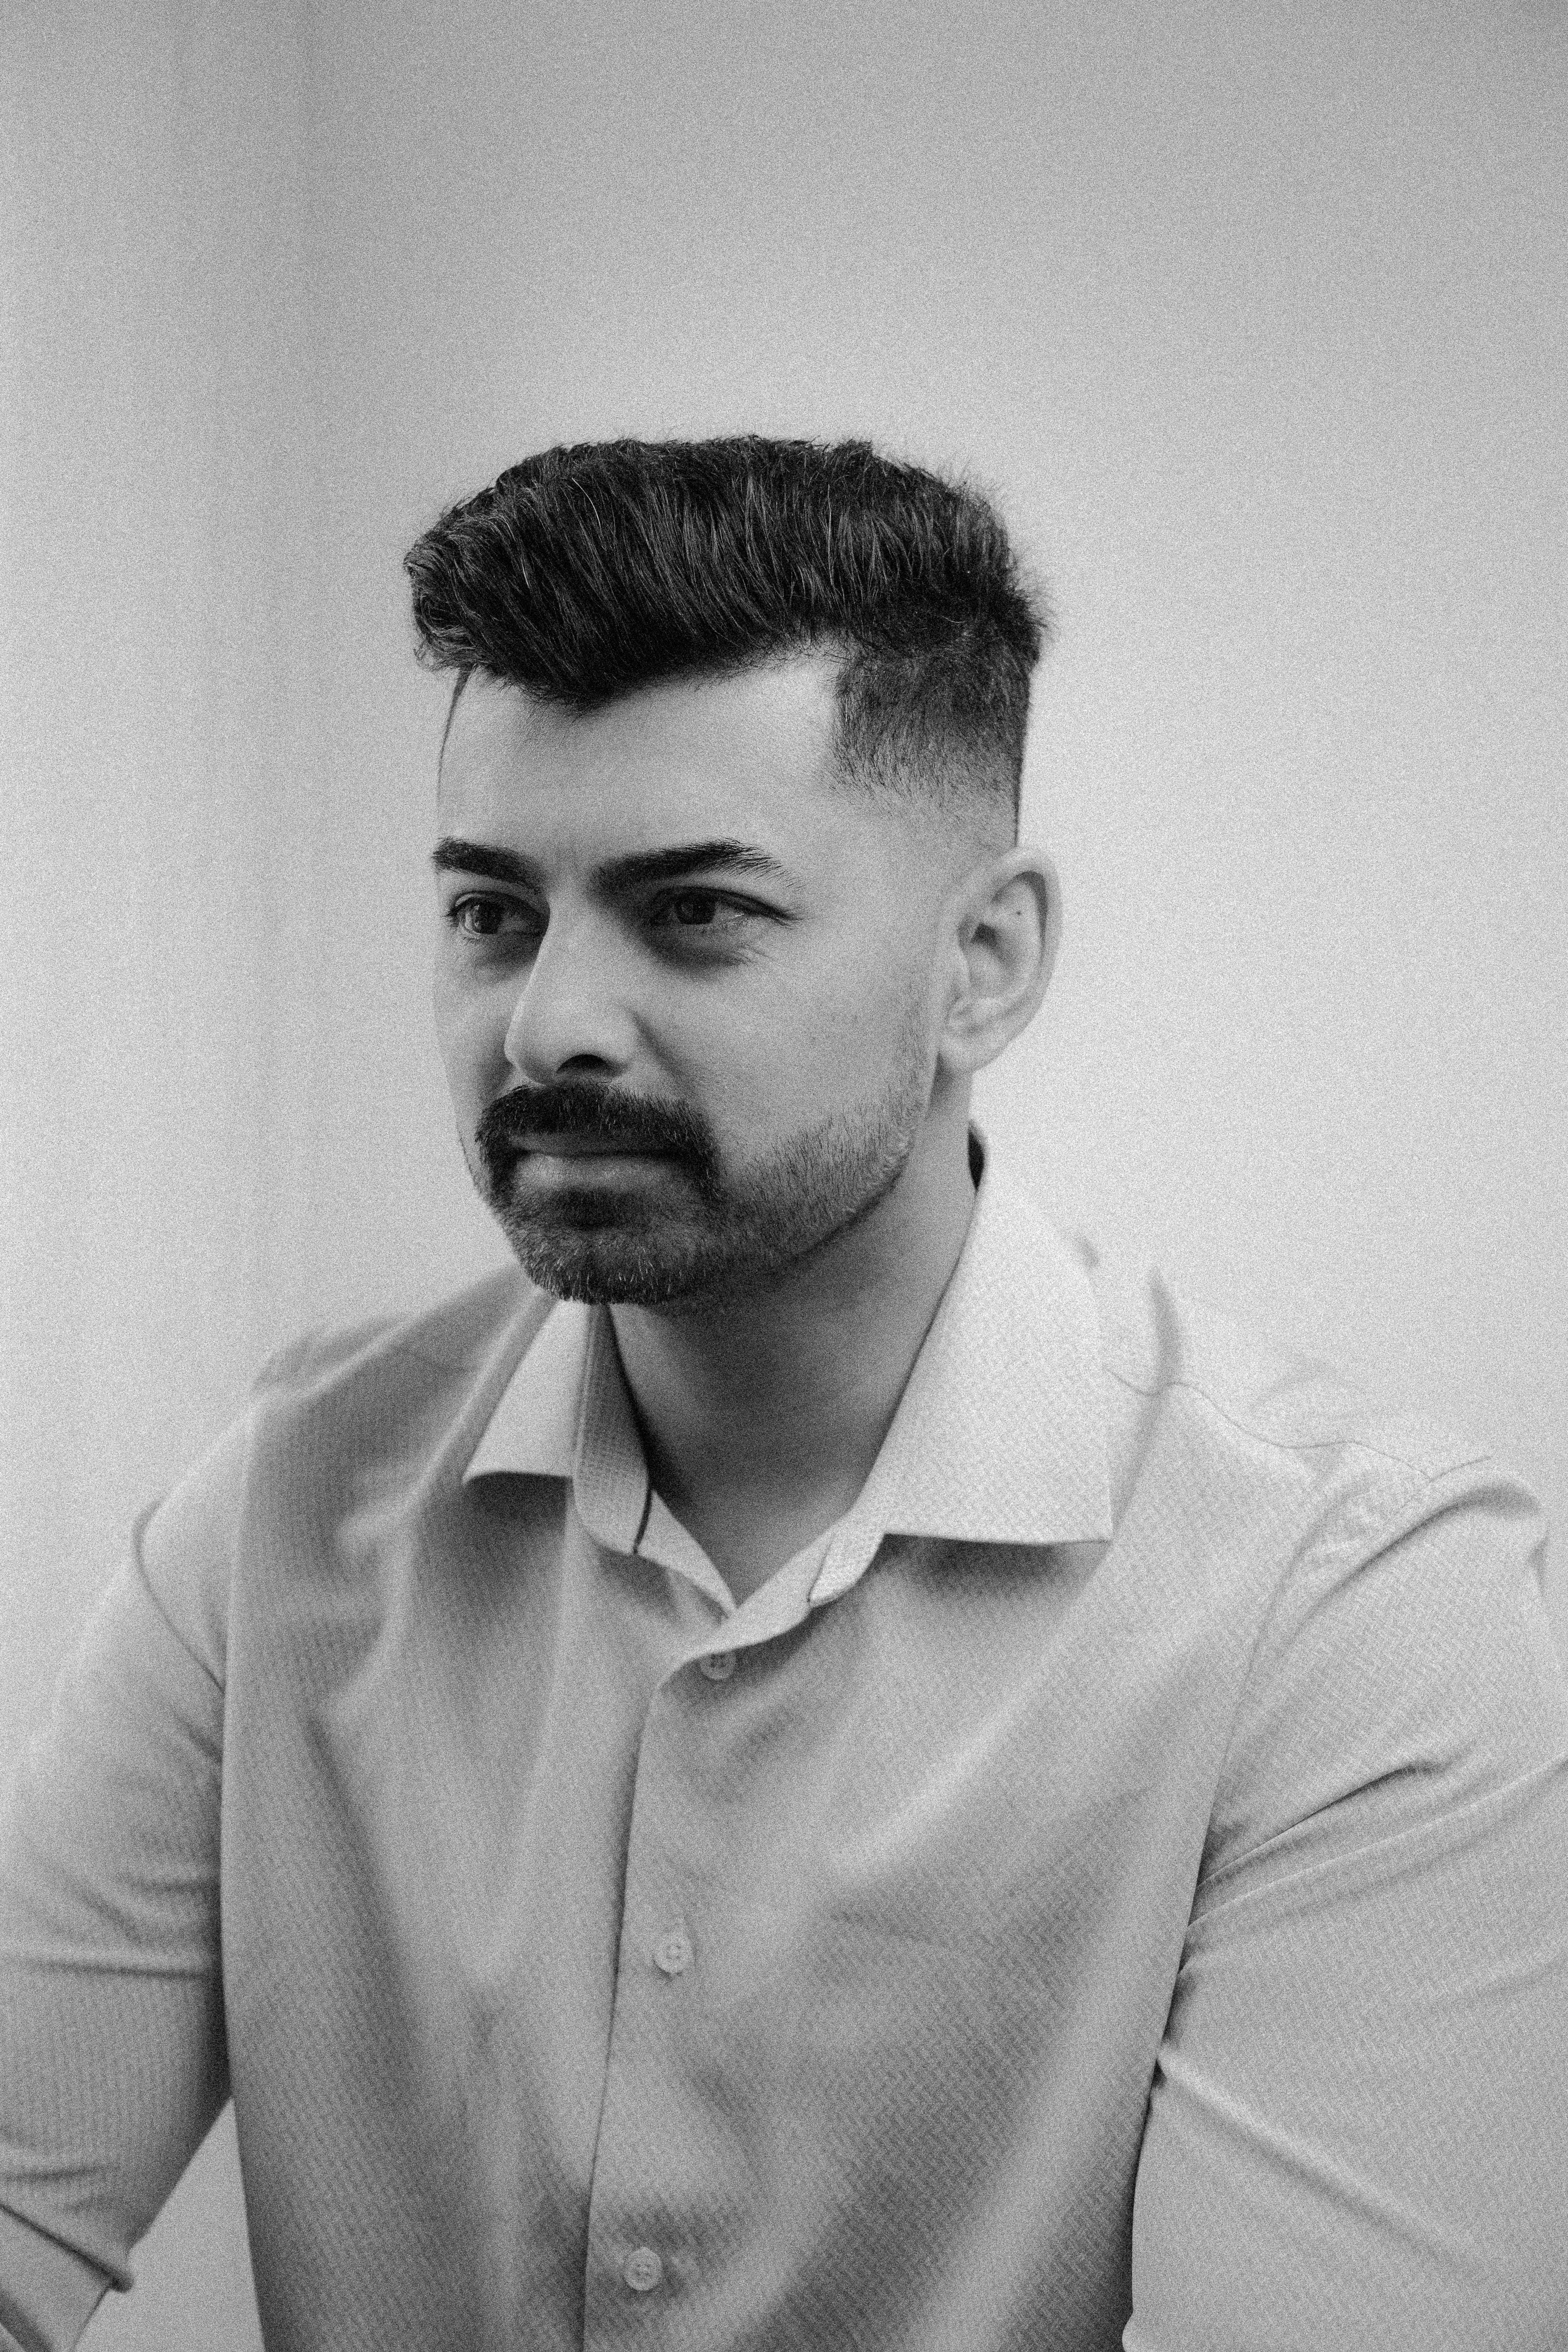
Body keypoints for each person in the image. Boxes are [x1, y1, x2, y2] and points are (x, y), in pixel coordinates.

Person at [2, 436, 1565, 2352]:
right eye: (492, 911)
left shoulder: (1352, 1606)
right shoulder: (286, 1520)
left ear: (983, 967)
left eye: (697, 914)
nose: (553, 1021)